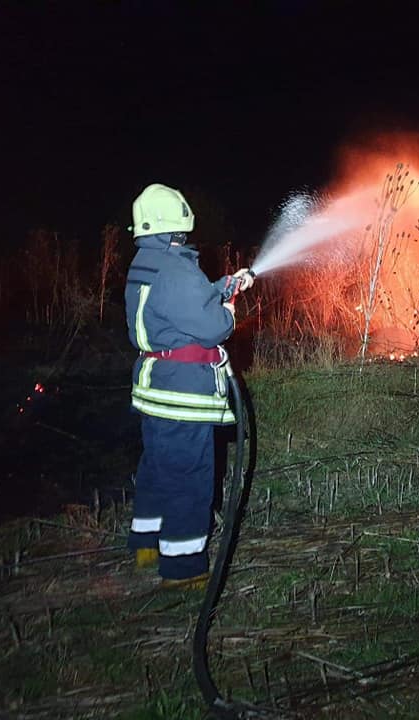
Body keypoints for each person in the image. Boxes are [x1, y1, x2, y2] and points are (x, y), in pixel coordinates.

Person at [124, 183, 254, 588]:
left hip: (155, 391)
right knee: (190, 477)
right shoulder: (178, 269)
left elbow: (182, 304)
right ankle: (182, 568)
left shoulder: (147, 264)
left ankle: (146, 544)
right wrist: (229, 313)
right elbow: (210, 325)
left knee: (157, 470)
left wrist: (224, 286)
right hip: (183, 394)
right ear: (179, 223)